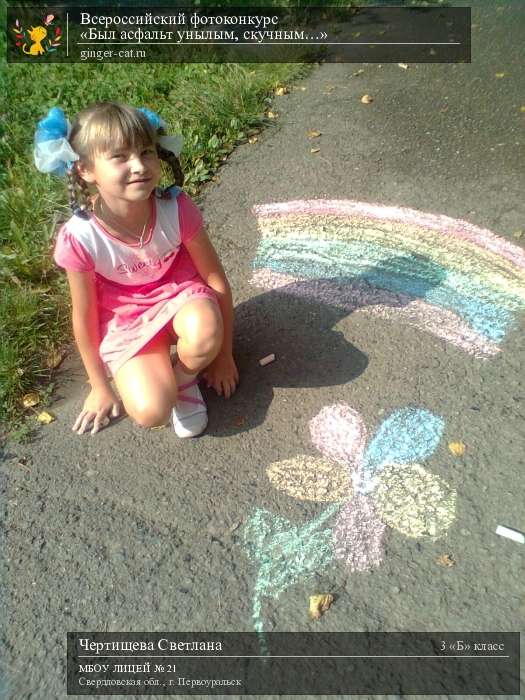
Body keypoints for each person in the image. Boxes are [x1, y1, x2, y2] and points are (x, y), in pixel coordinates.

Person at [34, 102, 239, 438]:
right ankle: (165, 382)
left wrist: (223, 355)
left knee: (204, 330)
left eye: (146, 152)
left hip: (180, 297)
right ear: (85, 169)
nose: (139, 165)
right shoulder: (81, 237)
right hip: (125, 318)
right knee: (151, 411)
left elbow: (216, 280)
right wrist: (99, 385)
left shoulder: (176, 207)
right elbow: (83, 317)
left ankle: (185, 380)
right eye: (120, 156)